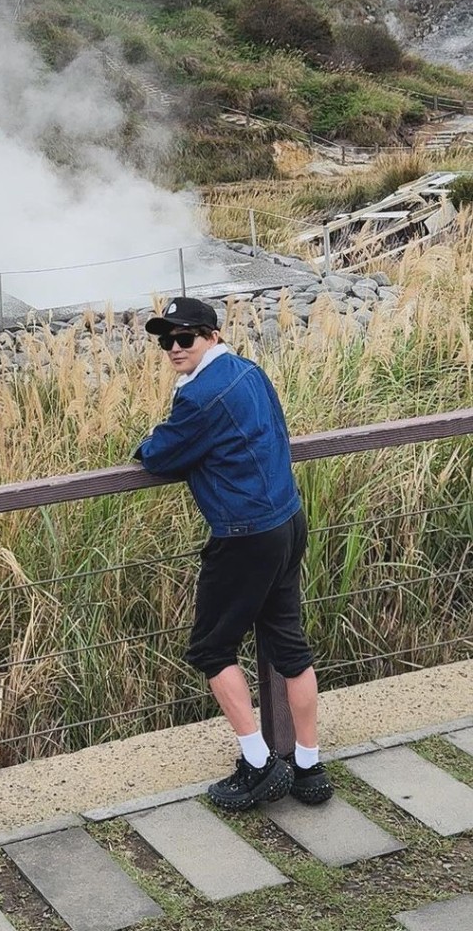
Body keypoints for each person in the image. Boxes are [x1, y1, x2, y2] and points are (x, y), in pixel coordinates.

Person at [133, 296, 333, 811]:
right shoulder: (248, 371)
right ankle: (309, 768)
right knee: (289, 647)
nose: (174, 349)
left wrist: (148, 443)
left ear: (211, 336)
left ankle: (259, 763)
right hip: (288, 519)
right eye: (166, 340)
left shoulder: (200, 395)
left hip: (245, 534)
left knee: (212, 648)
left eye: (185, 338)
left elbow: (159, 455)